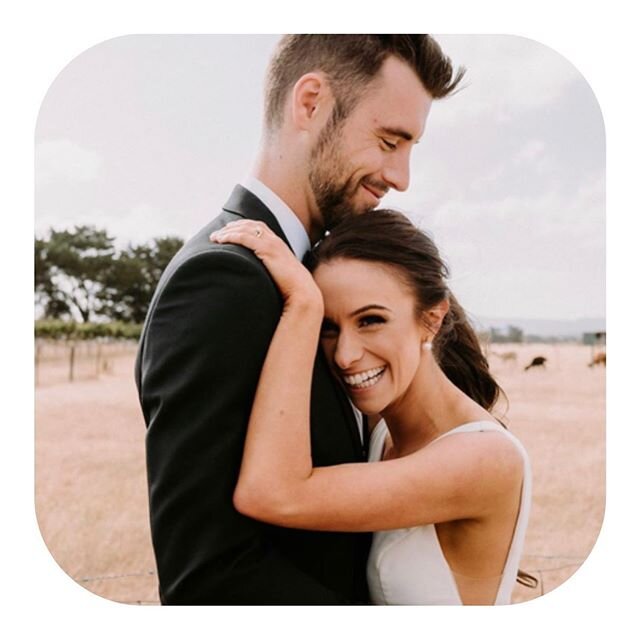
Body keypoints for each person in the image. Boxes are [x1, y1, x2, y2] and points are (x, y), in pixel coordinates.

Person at [135, 35, 464, 604]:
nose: (402, 176)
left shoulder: (316, 278)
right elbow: (207, 579)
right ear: (310, 102)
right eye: (390, 141)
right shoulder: (223, 280)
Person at [211, 209, 532, 605]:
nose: (344, 356)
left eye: (371, 321)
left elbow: (271, 494)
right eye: (329, 327)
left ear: (431, 319)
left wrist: (304, 305)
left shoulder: (484, 459)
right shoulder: (381, 424)